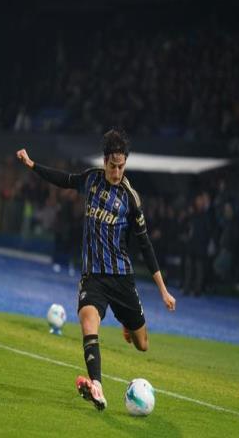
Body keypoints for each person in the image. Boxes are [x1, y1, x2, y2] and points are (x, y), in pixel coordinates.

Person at [16, 129, 176, 411]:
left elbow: (145, 246)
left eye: (121, 166)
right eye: (113, 166)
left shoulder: (130, 199)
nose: (117, 172)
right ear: (104, 162)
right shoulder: (91, 179)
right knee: (88, 324)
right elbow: (64, 179)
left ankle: (127, 323)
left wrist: (163, 290)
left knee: (142, 345)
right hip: (93, 277)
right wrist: (32, 165)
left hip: (122, 279)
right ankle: (97, 386)